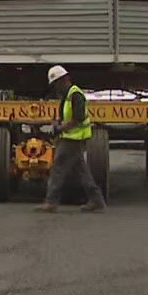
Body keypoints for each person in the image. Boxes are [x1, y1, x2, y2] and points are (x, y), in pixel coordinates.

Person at [37, 64, 106, 214]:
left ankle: (51, 202)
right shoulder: (67, 95)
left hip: (73, 139)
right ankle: (96, 200)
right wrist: (57, 125)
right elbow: (66, 117)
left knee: (58, 170)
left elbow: (78, 118)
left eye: (57, 83)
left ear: (65, 79)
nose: (56, 87)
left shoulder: (75, 94)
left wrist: (60, 128)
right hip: (69, 138)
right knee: (81, 171)